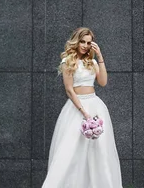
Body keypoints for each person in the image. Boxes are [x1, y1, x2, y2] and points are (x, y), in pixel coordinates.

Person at [42, 27, 122, 188]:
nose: (85, 45)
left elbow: (103, 82)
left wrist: (99, 57)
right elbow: (69, 90)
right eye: (82, 42)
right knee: (71, 151)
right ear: (76, 41)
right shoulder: (68, 61)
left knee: (99, 152)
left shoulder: (91, 62)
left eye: (88, 42)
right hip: (76, 109)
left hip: (96, 106)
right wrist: (84, 113)